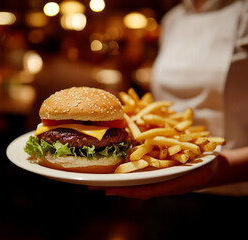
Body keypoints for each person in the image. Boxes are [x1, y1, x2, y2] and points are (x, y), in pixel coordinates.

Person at [90, 0, 248, 199]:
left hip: (232, 189)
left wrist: (215, 170)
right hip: (162, 180)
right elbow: (165, 104)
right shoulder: (173, 19)